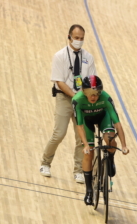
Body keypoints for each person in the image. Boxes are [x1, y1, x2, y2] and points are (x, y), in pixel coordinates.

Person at [40, 24, 97, 183]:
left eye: (81, 39)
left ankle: (78, 170)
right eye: (76, 38)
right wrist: (74, 96)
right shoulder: (60, 56)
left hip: (83, 101)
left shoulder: (88, 57)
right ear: (69, 37)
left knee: (82, 137)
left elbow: (92, 80)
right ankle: (45, 162)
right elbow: (59, 81)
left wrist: (88, 97)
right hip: (65, 97)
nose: (79, 41)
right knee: (59, 133)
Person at [74, 75, 130, 205]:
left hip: (102, 117)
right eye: (90, 94)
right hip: (86, 121)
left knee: (109, 138)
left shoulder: (106, 98)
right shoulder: (77, 100)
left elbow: (118, 124)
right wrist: (86, 145)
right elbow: (80, 126)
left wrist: (123, 145)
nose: (93, 97)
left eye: (97, 94)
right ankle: (88, 191)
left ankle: (110, 158)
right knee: (89, 153)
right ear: (83, 92)